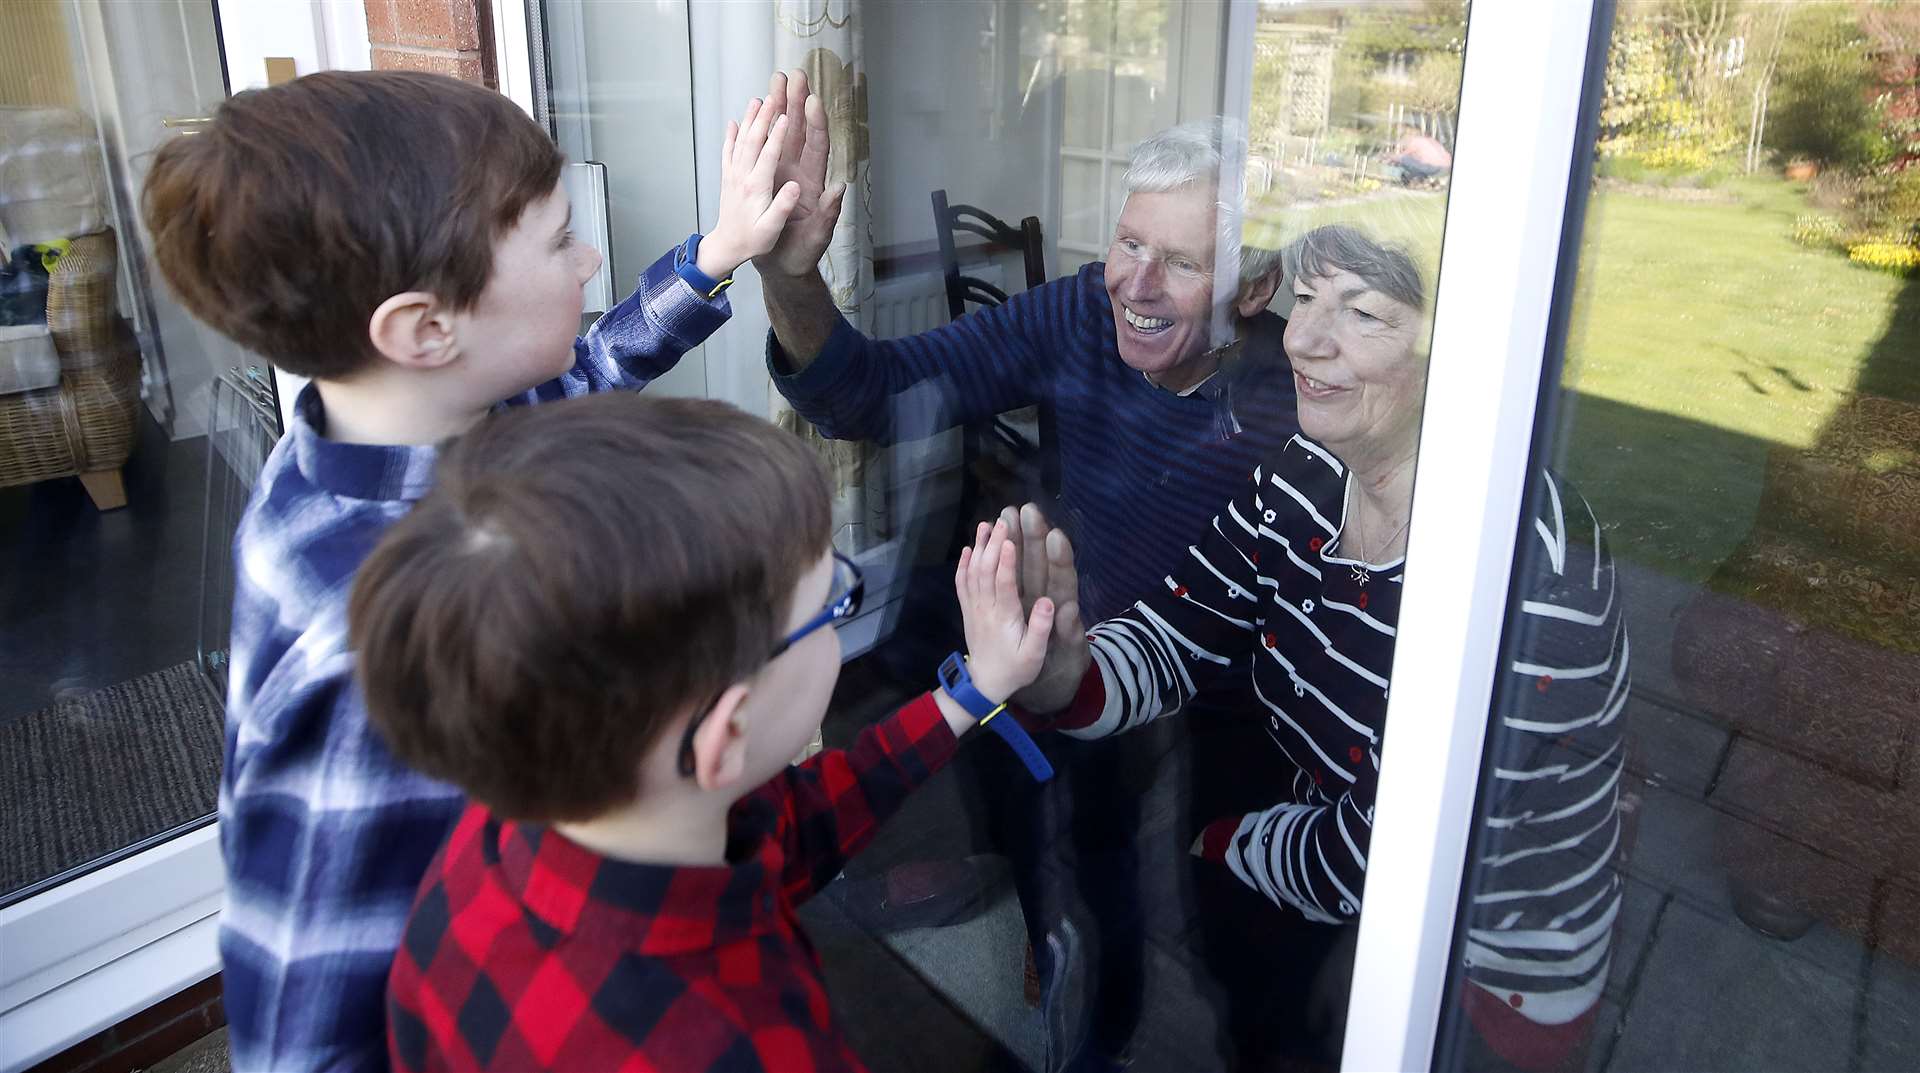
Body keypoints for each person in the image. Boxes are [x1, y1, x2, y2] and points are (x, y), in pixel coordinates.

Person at [141, 70, 805, 1070]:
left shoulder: (409, 416)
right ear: (424, 327)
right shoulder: (380, 632)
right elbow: (304, 1014)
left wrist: (720, 256)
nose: (588, 259)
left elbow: (578, 378)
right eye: (556, 241)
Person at [752, 70, 1304, 1064]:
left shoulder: (1299, 395)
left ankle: (1107, 1007)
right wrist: (788, 275)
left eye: (1179, 263)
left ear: (1254, 287)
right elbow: (872, 397)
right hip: (1078, 644)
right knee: (1024, 771)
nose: (1134, 284)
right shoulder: (1078, 315)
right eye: (1129, 243)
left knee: (1215, 926)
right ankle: (1050, 944)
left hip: (1229, 691)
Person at [1015, 224, 1629, 1071]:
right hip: (1322, 866)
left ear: (1458, 352)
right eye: (1306, 296)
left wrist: (1233, 843)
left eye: (1363, 312)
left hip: (1485, 974)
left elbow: (1383, 851)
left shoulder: (1529, 590)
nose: (1301, 337)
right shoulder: (1306, 469)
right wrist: (1065, 675)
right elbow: (1179, 627)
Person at [354, 392, 1058, 1071]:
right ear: (728, 732)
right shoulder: (745, 1047)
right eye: (832, 605)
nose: (845, 609)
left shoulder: (491, 846)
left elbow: (797, 820)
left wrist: (973, 688)